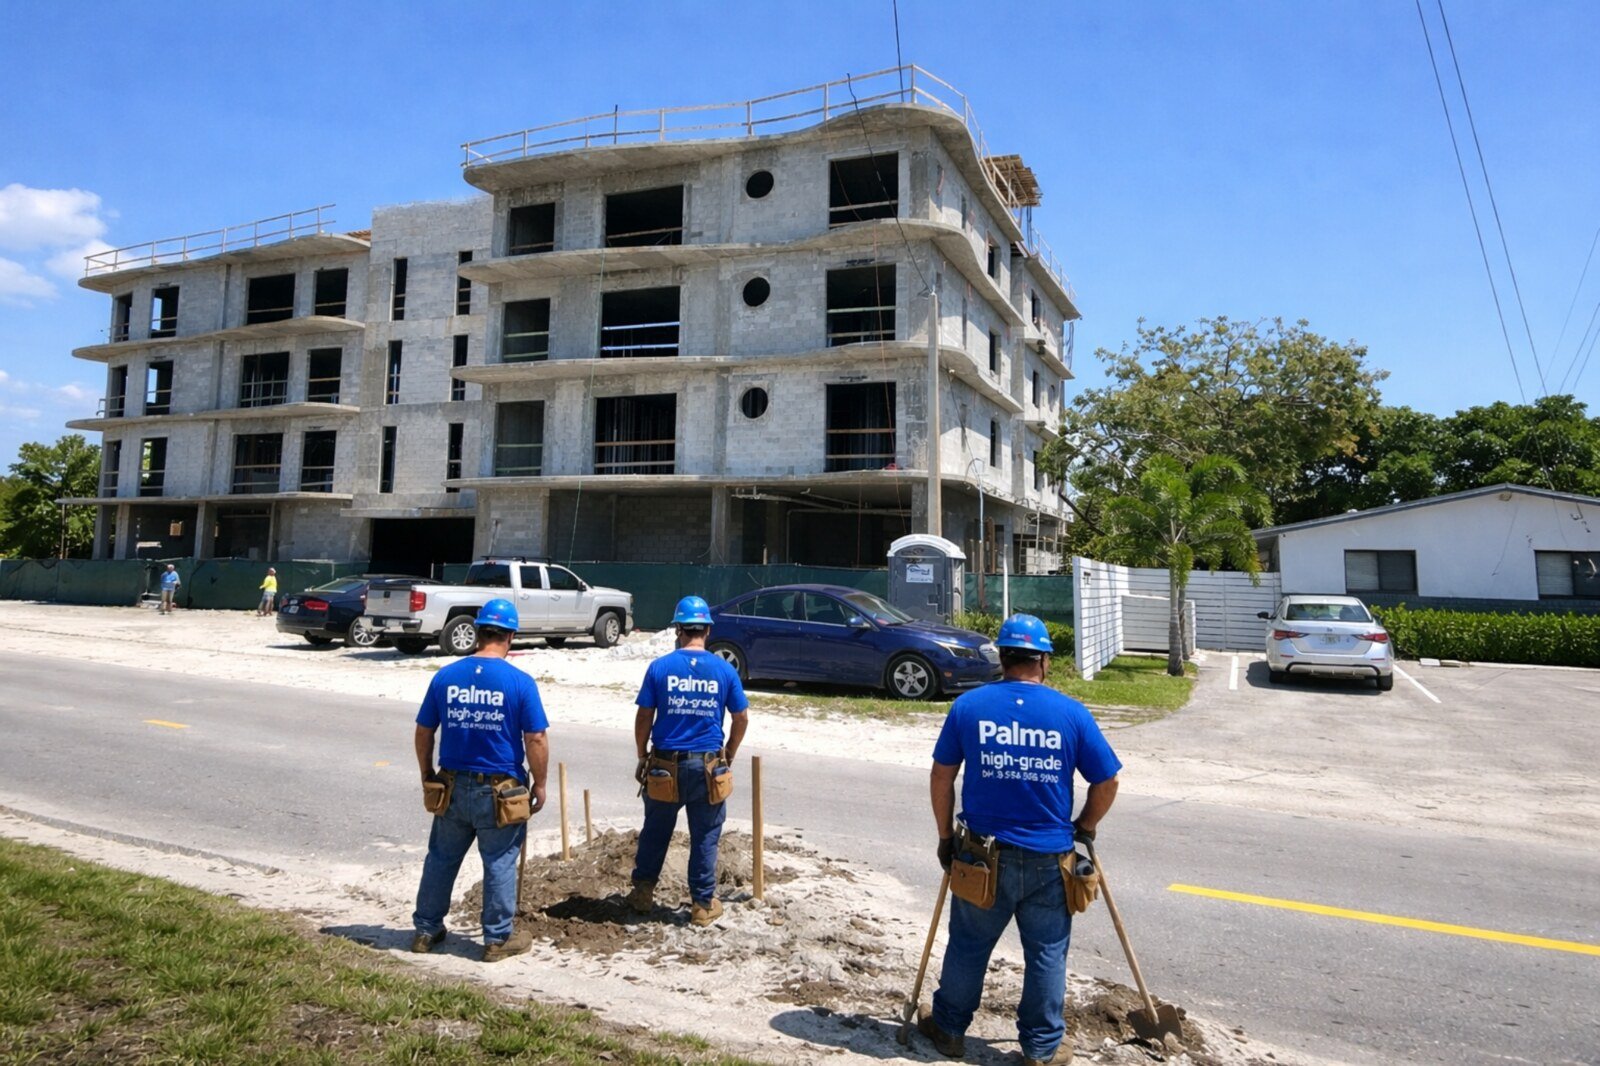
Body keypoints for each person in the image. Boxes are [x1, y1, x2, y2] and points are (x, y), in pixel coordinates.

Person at [919, 614, 1122, 1066]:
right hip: (1051, 859)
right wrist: (1084, 828)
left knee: (968, 945)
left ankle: (949, 1029)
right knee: (1047, 954)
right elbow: (1106, 782)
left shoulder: (969, 707)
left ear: (1002, 658)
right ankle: (1042, 1050)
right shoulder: (1070, 713)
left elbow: (941, 775)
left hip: (980, 855)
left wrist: (944, 836)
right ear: (1044, 661)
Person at [412, 598, 549, 961]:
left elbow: (425, 730)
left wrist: (427, 773)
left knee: (441, 858)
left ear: (478, 631)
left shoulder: (447, 676)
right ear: (511, 635)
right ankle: (496, 939)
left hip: (452, 786)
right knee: (500, 861)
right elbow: (535, 738)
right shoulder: (519, 682)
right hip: (500, 792)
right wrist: (540, 784)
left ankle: (426, 930)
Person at [627, 595, 749, 926]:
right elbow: (741, 718)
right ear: (707, 630)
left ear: (679, 629)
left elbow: (643, 717)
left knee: (655, 830)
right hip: (708, 767)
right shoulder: (723, 669)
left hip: (665, 766)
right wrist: (730, 754)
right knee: (706, 834)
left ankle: (642, 893)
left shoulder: (660, 667)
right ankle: (702, 904)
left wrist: (641, 754)